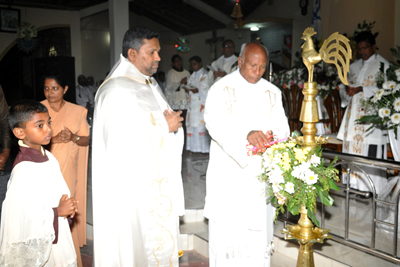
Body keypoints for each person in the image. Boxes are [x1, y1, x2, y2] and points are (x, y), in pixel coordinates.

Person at [92, 26, 185, 266]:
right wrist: (164, 126)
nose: (158, 58)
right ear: (132, 54)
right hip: (130, 189)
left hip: (154, 185)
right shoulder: (114, 89)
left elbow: (159, 122)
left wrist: (171, 124)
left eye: (158, 52)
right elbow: (115, 140)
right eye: (152, 52)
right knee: (134, 245)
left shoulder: (150, 84)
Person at [204, 43, 290, 266]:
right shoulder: (220, 89)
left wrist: (273, 136)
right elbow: (214, 124)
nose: (258, 72)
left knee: (259, 228)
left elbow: (283, 127)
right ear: (240, 61)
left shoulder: (272, 91)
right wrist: (246, 136)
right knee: (229, 229)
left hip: (260, 171)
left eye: (262, 67)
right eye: (253, 65)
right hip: (230, 170)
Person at [0, 99, 78, 266]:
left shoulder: (48, 156)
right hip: (43, 244)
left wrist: (68, 205)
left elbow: (58, 191)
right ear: (20, 133)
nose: (48, 128)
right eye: (40, 125)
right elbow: (21, 218)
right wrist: (58, 212)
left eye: (48, 122)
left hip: (56, 234)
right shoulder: (23, 171)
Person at [42, 73, 90, 267]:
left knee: (66, 210)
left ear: (65, 89)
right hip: (44, 167)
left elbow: (86, 139)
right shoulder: (37, 109)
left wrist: (73, 138)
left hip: (69, 168)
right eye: (46, 88)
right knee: (48, 210)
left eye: (55, 88)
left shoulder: (78, 111)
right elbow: (26, 139)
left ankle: (69, 256)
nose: (50, 92)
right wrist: (52, 139)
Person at [337, 31, 389, 196]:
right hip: (352, 118)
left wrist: (362, 89)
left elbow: (386, 91)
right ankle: (352, 187)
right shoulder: (353, 66)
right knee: (351, 151)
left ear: (373, 46)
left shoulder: (384, 65)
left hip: (371, 119)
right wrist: (347, 91)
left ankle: (371, 189)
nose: (362, 52)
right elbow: (345, 93)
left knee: (369, 152)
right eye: (359, 49)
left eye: (365, 48)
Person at [185, 56, 211, 154]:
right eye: (191, 64)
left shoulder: (207, 75)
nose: (193, 66)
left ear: (200, 63)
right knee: (192, 126)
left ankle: (204, 150)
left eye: (194, 64)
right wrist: (188, 90)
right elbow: (190, 88)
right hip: (193, 105)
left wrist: (198, 91)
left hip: (201, 105)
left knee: (200, 126)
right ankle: (193, 148)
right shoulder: (192, 76)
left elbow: (210, 89)